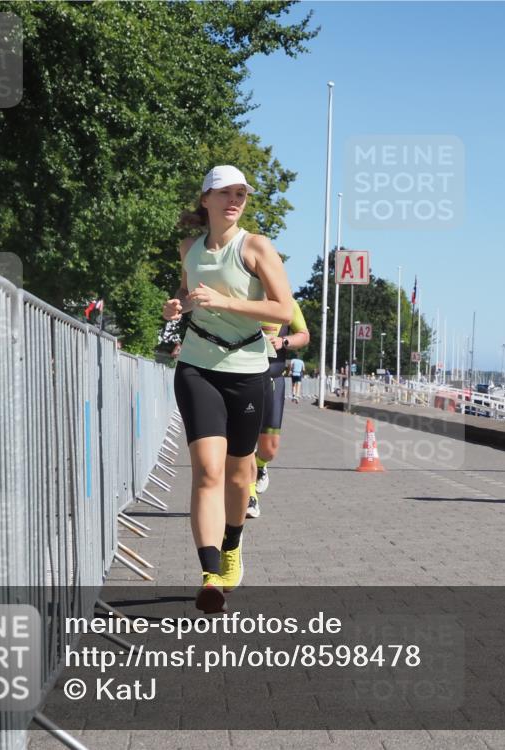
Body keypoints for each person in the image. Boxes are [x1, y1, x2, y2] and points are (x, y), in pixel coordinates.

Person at [163, 165, 293, 613]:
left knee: (240, 475)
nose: (234, 200)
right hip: (197, 366)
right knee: (207, 470)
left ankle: (233, 544)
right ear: (206, 200)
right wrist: (175, 305)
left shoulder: (255, 246)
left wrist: (225, 302)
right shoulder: (189, 248)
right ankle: (210, 574)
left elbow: (283, 308)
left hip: (247, 369)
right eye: (225, 193)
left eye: (241, 193)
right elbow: (186, 292)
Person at [247, 300, 310, 518]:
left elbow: (303, 335)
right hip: (245, 379)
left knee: (269, 449)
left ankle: (261, 464)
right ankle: (249, 495)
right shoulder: (244, 296)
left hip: (274, 379)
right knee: (244, 440)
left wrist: (284, 341)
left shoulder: (288, 303)